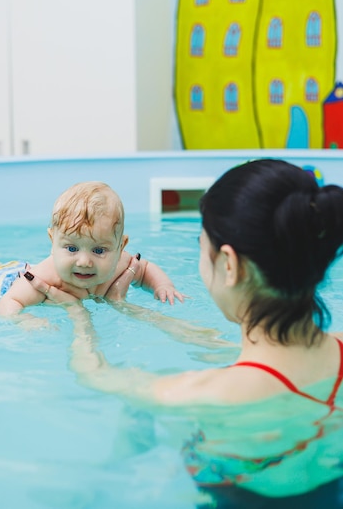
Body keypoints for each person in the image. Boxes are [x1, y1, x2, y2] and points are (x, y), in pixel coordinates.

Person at [64, 159, 343, 505]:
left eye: (201, 246)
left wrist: (76, 313)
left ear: (228, 264)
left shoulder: (205, 394)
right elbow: (221, 347)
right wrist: (127, 308)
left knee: (135, 411)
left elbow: (95, 375)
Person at [0, 181, 220, 342]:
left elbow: (144, 269)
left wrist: (163, 286)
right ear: (52, 241)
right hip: (5, 282)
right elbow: (10, 302)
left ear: (121, 247)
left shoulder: (120, 264)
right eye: (71, 248)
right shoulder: (43, 278)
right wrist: (25, 320)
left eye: (99, 250)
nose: (84, 261)